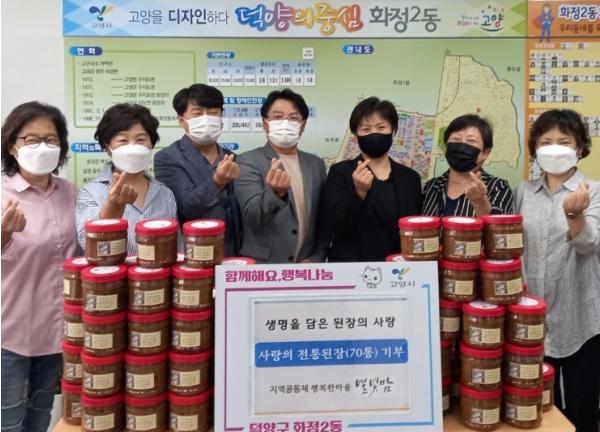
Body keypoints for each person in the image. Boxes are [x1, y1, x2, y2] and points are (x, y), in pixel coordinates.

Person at [516, 109, 599, 432]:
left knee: (580, 408)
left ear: (579, 148)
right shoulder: (524, 191)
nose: (554, 148)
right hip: (531, 317)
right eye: (545, 141)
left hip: (580, 317)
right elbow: (511, 244)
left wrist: (574, 215)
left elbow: (589, 246)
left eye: (564, 142)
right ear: (535, 148)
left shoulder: (594, 191)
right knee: (537, 408)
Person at [1, 102, 79, 432]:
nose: (42, 147)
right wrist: (3, 234)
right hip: (11, 333)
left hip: (56, 332)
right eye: (31, 140)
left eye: (50, 139)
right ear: (12, 146)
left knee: (40, 417)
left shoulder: (70, 193)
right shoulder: (2, 194)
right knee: (9, 423)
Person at [322, 97, 422, 262]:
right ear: (356, 135)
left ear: (393, 130)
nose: (374, 133)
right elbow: (335, 226)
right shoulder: (340, 172)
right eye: (366, 129)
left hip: (398, 269)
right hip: (352, 270)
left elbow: (415, 229)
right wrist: (358, 193)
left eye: (381, 127)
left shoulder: (410, 178)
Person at [234, 88, 328, 263]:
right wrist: (275, 194)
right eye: (278, 117)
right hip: (263, 266)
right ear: (265, 124)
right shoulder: (247, 161)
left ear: (303, 125)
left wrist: (316, 257)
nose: (286, 122)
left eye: (294, 117)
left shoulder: (316, 164)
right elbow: (252, 217)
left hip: (306, 266)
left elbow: (323, 218)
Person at [76, 103, 177, 254]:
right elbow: (87, 243)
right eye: (122, 140)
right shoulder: (91, 193)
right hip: (112, 270)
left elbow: (175, 246)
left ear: (151, 144)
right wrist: (113, 207)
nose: (133, 147)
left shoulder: (165, 193)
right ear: (108, 147)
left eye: (140, 140)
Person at [154, 83, 242, 256]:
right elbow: (185, 207)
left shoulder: (232, 157)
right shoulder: (168, 157)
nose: (206, 119)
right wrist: (218, 182)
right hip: (195, 252)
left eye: (213, 112)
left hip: (233, 254)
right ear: (182, 121)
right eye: (197, 113)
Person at [422, 114, 513, 217]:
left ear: (485, 153)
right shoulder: (431, 186)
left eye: (471, 141)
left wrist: (480, 201)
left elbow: (499, 226)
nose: (462, 146)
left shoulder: (498, 187)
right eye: (456, 139)